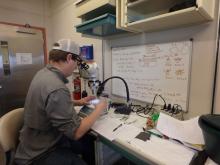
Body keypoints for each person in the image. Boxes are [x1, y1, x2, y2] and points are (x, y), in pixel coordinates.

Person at [14, 39, 107, 165]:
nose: (76, 66)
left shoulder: (42, 74)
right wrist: (99, 109)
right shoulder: (57, 87)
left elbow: (46, 102)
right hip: (39, 154)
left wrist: (76, 102)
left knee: (85, 145)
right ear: (69, 57)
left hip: (31, 141)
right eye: (76, 62)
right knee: (82, 140)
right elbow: (76, 132)